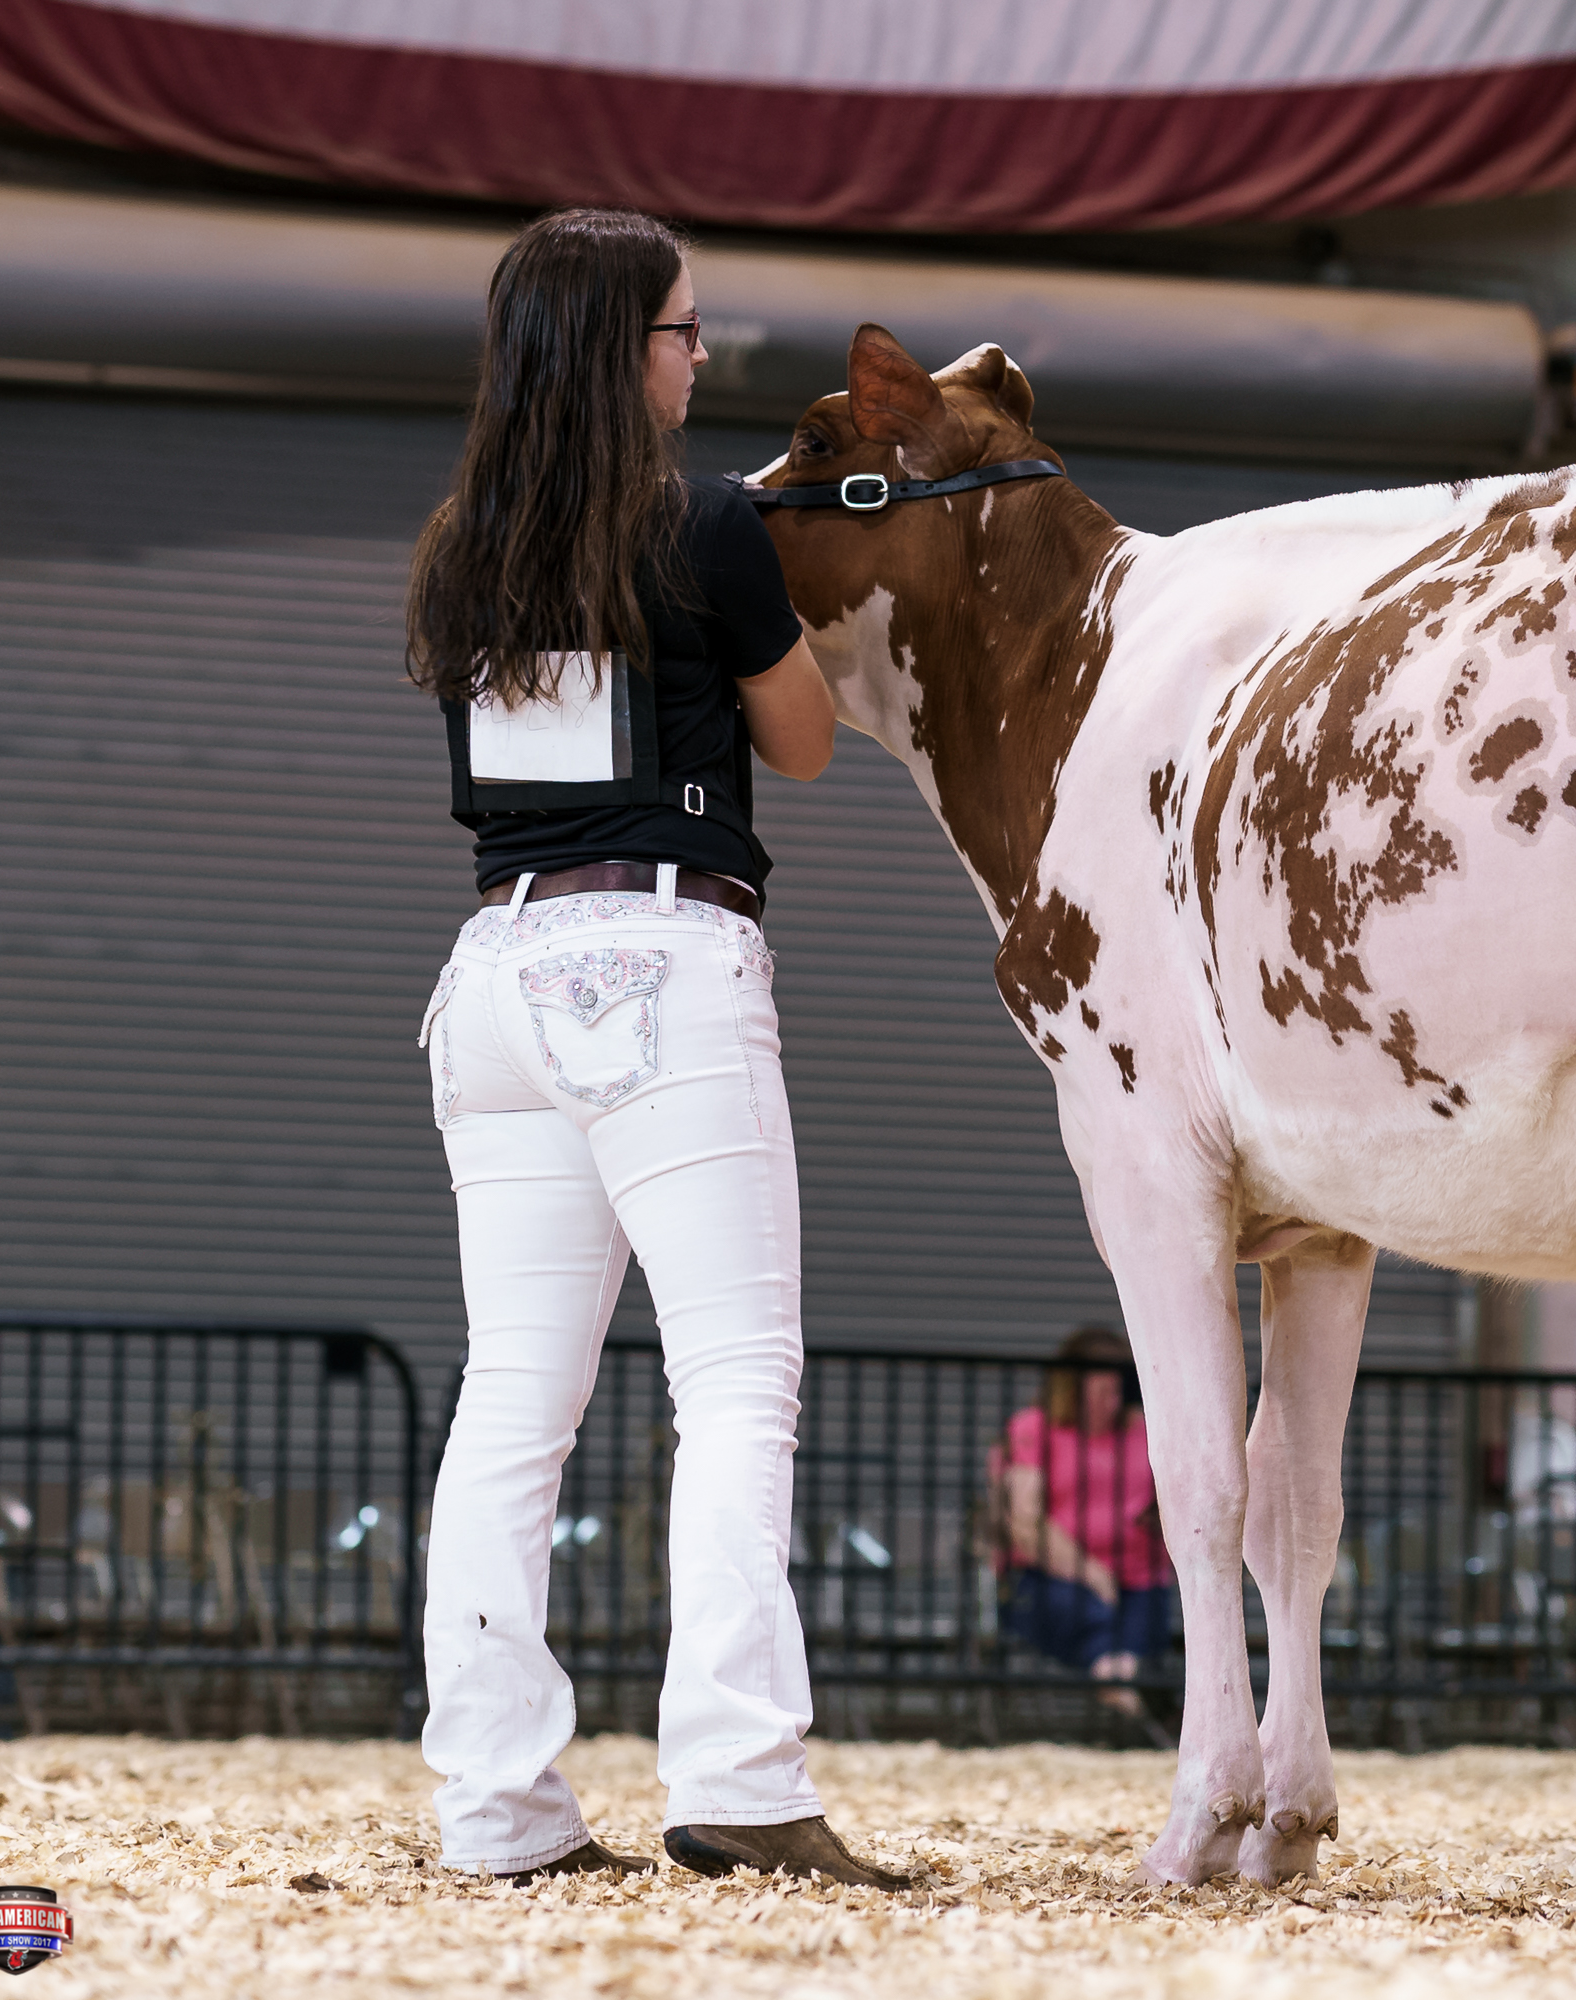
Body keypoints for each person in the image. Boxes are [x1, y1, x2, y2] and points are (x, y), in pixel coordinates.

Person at [405, 208, 897, 1887]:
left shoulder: (464, 545)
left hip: (495, 973)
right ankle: (740, 1772)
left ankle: (498, 1807)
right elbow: (803, 743)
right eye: (687, 331)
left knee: (511, 1404)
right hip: (661, 955)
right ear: (628, 351)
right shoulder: (703, 521)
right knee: (738, 1379)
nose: (700, 357)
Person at [989, 1327, 1175, 1725]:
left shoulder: (1145, 1429)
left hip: (1140, 1579)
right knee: (1088, 1616)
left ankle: (1123, 1681)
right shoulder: (1033, 1429)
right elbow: (1023, 1520)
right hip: (1047, 1578)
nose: (1113, 1402)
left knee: (1145, 1623)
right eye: (1103, 1391)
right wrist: (1089, 1572)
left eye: (1119, 1390)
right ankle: (1124, 1687)